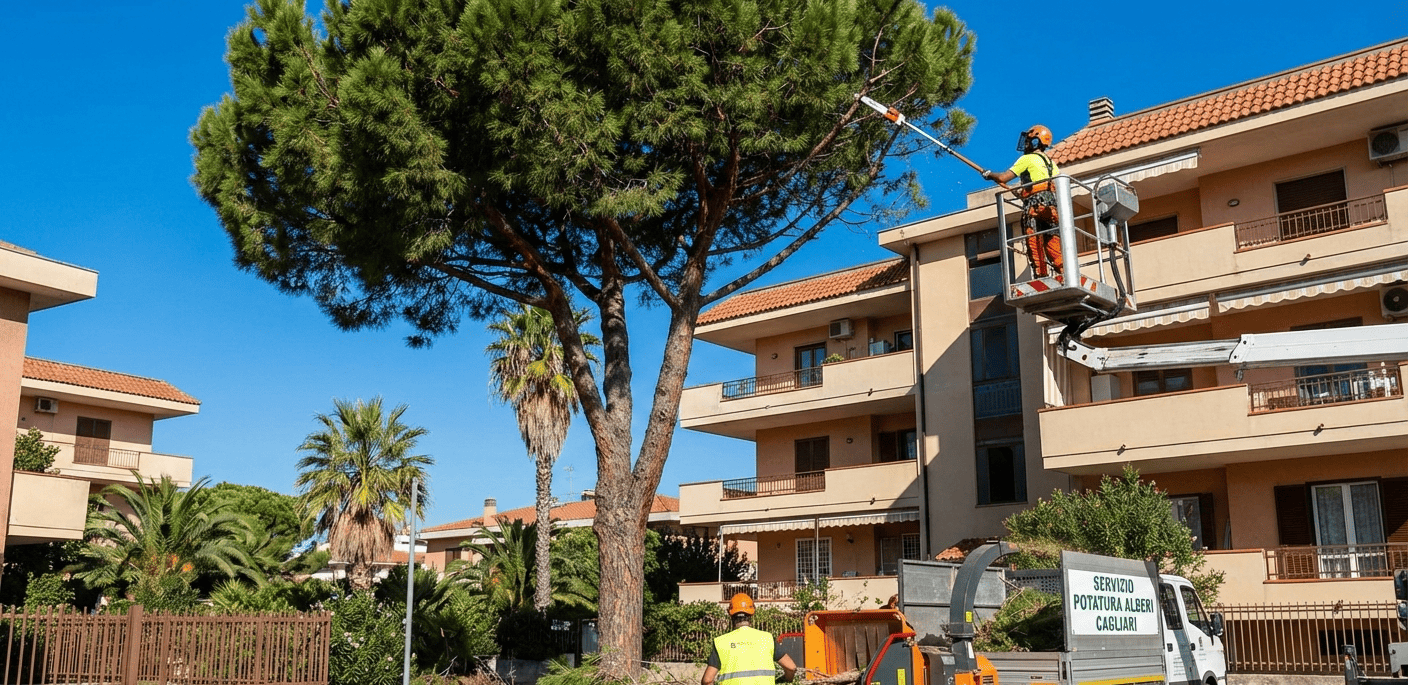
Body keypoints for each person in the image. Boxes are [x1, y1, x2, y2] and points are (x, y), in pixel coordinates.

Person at [982, 125, 1063, 279]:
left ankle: (1041, 275)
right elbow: (1045, 186)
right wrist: (1023, 193)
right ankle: (1062, 272)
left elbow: (1003, 178)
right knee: (1053, 240)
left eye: (1029, 140)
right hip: (1052, 207)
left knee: (1034, 240)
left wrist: (990, 174)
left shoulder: (1027, 159)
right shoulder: (1051, 163)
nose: (1026, 143)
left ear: (1035, 141)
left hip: (1035, 207)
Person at [701, 593, 798, 685]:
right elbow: (791, 667)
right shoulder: (767, 639)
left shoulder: (721, 642)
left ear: (730, 613)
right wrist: (785, 680)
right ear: (752, 613)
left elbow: (707, 680)